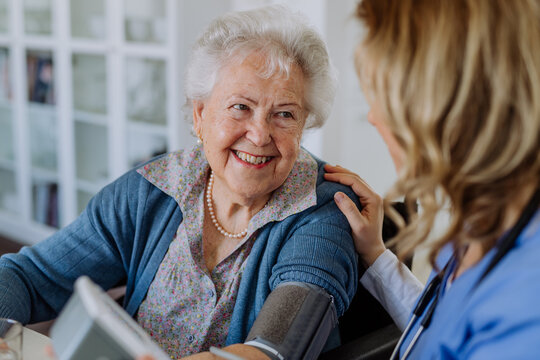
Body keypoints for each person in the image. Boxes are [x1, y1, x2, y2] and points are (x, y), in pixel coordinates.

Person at [0, 6, 359, 359]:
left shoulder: (323, 209)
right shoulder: (152, 190)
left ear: (304, 124)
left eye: (284, 114)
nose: (259, 133)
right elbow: (29, 276)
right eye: (240, 107)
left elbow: (277, 349)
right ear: (200, 115)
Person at [325, 0, 540, 358]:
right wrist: (376, 254)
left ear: (449, 103)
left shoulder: (525, 307)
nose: (375, 117)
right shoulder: (488, 221)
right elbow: (445, 333)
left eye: (385, 97)